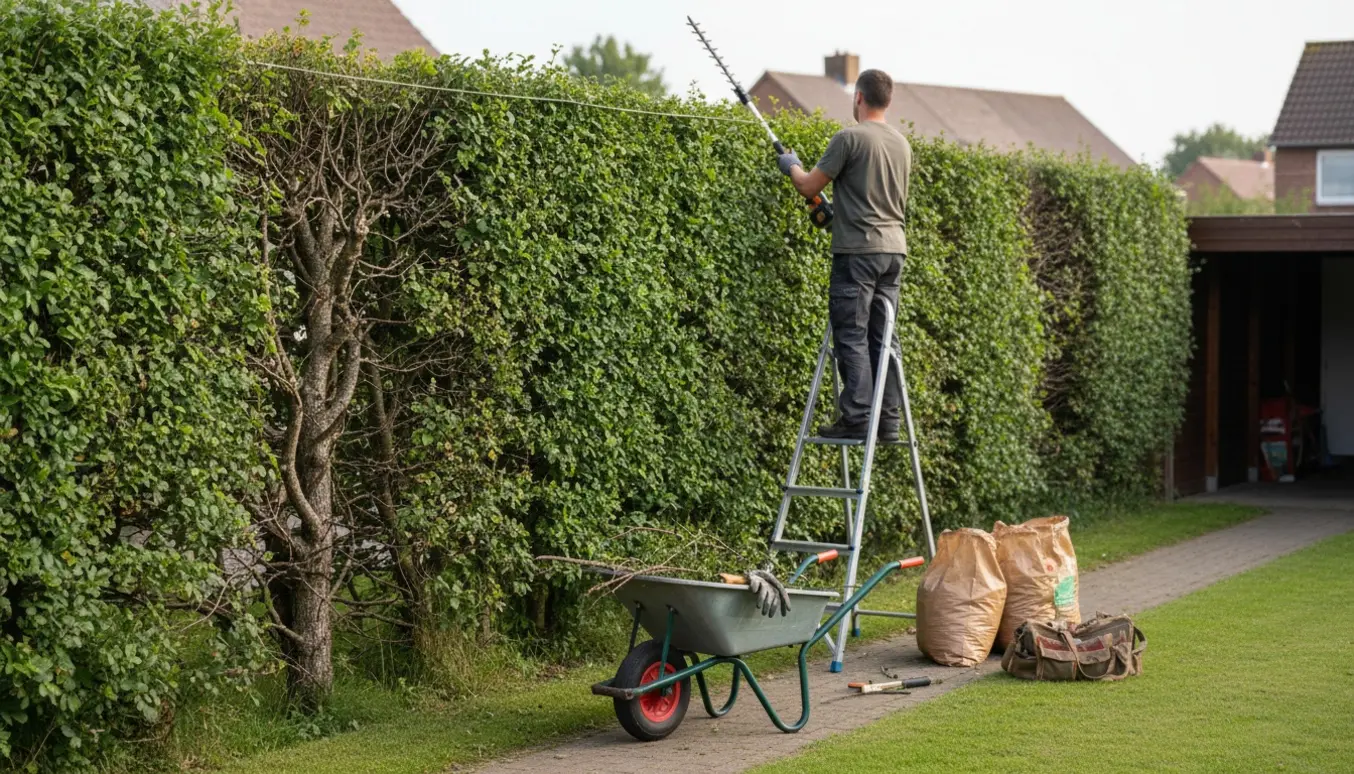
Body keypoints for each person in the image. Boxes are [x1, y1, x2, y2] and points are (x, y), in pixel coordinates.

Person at [777, 69, 912, 442]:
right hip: (893, 252)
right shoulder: (902, 144)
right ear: (888, 100)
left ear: (858, 97)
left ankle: (855, 418)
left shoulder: (848, 138)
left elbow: (808, 184)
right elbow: (875, 197)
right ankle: (887, 422)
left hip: (857, 254)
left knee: (851, 334)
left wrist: (790, 165)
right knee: (883, 337)